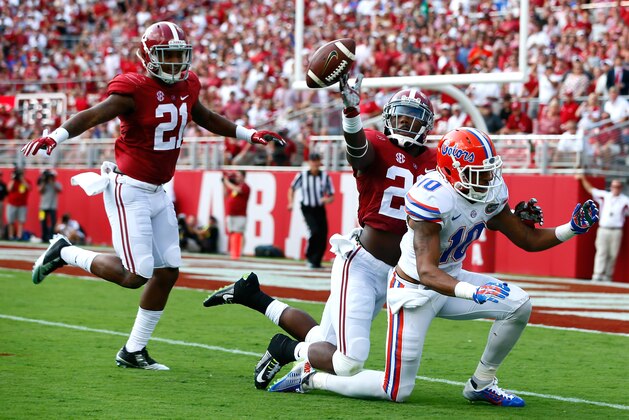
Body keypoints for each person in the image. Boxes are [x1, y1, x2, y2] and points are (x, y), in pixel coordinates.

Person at [204, 76, 543, 392]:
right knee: (345, 359)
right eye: (401, 117)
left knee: (324, 340)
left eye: (414, 119)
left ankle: (252, 295)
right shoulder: (375, 143)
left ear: (426, 125)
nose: (406, 124)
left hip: (404, 275)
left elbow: (470, 200)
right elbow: (357, 151)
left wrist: (508, 214)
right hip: (366, 264)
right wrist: (351, 112)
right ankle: (286, 348)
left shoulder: (437, 161)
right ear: (388, 118)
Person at [20, 21, 284, 370]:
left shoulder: (189, 84)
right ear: (148, 57)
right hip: (128, 188)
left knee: (168, 271)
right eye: (167, 55)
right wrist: (56, 136)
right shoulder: (133, 88)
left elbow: (203, 116)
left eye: (179, 55)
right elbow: (92, 115)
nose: (175, 63)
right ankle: (65, 252)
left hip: (159, 191)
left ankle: (133, 351)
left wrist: (248, 134)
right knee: (137, 274)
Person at [268, 128, 598, 406]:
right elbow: (427, 271)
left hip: (452, 279)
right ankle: (313, 379)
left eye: (488, 171)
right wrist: (474, 290)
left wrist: (571, 227)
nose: (487, 180)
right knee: (396, 391)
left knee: (519, 305)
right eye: (477, 173)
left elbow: (526, 239)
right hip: (414, 292)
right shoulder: (431, 196)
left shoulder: (490, 190)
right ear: (452, 171)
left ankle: (482, 383)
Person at [577, 174, 629, 282]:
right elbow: (591, 189)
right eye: (614, 186)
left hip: (617, 230)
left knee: (613, 254)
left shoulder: (625, 200)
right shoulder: (605, 196)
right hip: (603, 229)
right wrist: (583, 178)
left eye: (618, 187)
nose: (616, 189)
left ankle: (608, 275)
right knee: (601, 252)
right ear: (611, 187)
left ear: (621, 188)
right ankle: (597, 274)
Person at [287, 152, 335, 269]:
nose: (314, 163)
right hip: (307, 208)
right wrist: (291, 202)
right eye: (312, 161)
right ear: (309, 162)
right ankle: (310, 257)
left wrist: (327, 200)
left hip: (319, 208)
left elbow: (331, 195)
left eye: (316, 160)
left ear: (319, 162)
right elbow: (292, 189)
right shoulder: (302, 175)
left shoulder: (325, 177)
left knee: (323, 234)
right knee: (314, 231)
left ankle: (317, 261)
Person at [223, 170, 250, 259]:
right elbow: (225, 194)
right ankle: (233, 251)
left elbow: (238, 190)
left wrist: (227, 181)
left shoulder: (245, 186)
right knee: (232, 233)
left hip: (240, 214)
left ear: (243, 176)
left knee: (239, 233)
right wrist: (224, 184)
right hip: (231, 214)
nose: (237, 177)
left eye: (239, 175)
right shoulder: (234, 186)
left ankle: (240, 252)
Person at [6, 168, 31, 241]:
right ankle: (11, 236)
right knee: (11, 221)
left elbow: (29, 188)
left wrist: (22, 179)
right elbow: (9, 189)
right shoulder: (13, 181)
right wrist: (14, 179)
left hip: (22, 204)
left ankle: (19, 236)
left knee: (21, 221)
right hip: (12, 204)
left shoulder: (26, 181)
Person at [37, 169, 62, 242]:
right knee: (42, 222)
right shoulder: (43, 183)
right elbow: (40, 191)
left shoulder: (56, 183)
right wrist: (44, 182)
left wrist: (52, 182)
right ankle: (43, 237)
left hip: (52, 207)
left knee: (53, 222)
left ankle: (51, 236)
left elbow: (59, 190)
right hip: (42, 207)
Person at [0, 171, 7, 239]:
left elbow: (6, 194)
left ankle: (1, 234)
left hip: (0, 202)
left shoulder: (2, 184)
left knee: (1, 218)